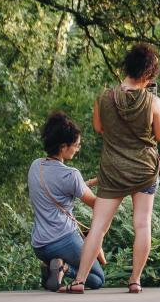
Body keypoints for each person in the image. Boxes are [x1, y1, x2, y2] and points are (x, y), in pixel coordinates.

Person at [64, 43, 160, 294]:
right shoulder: (153, 102)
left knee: (98, 224)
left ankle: (79, 281)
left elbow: (100, 128)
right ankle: (135, 280)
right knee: (142, 224)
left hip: (112, 170)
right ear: (148, 74)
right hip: (144, 169)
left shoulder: (104, 98)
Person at [28, 111, 104, 291]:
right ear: (63, 147)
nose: (78, 148)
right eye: (76, 145)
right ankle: (63, 267)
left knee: (91, 273)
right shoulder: (71, 175)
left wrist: (93, 182)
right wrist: (115, 188)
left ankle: (51, 267)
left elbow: (60, 189)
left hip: (40, 244)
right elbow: (97, 204)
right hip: (64, 240)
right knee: (97, 278)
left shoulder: (35, 166)